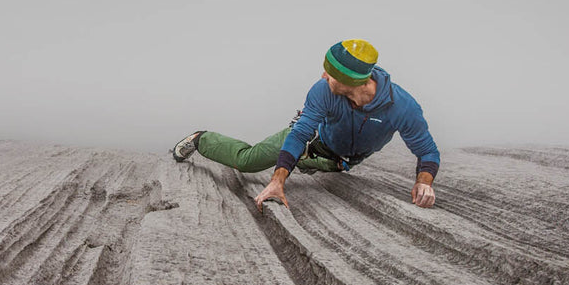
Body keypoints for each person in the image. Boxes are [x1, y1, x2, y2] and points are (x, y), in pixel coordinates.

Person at [171, 39, 439, 210]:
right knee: (249, 161)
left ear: (354, 80)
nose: (323, 75)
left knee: (310, 166)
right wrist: (278, 181)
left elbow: (427, 151)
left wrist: (423, 182)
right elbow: (300, 134)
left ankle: (301, 165)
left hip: (339, 162)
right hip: (311, 142)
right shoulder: (323, 90)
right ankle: (201, 138)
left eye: (331, 73)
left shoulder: (402, 107)